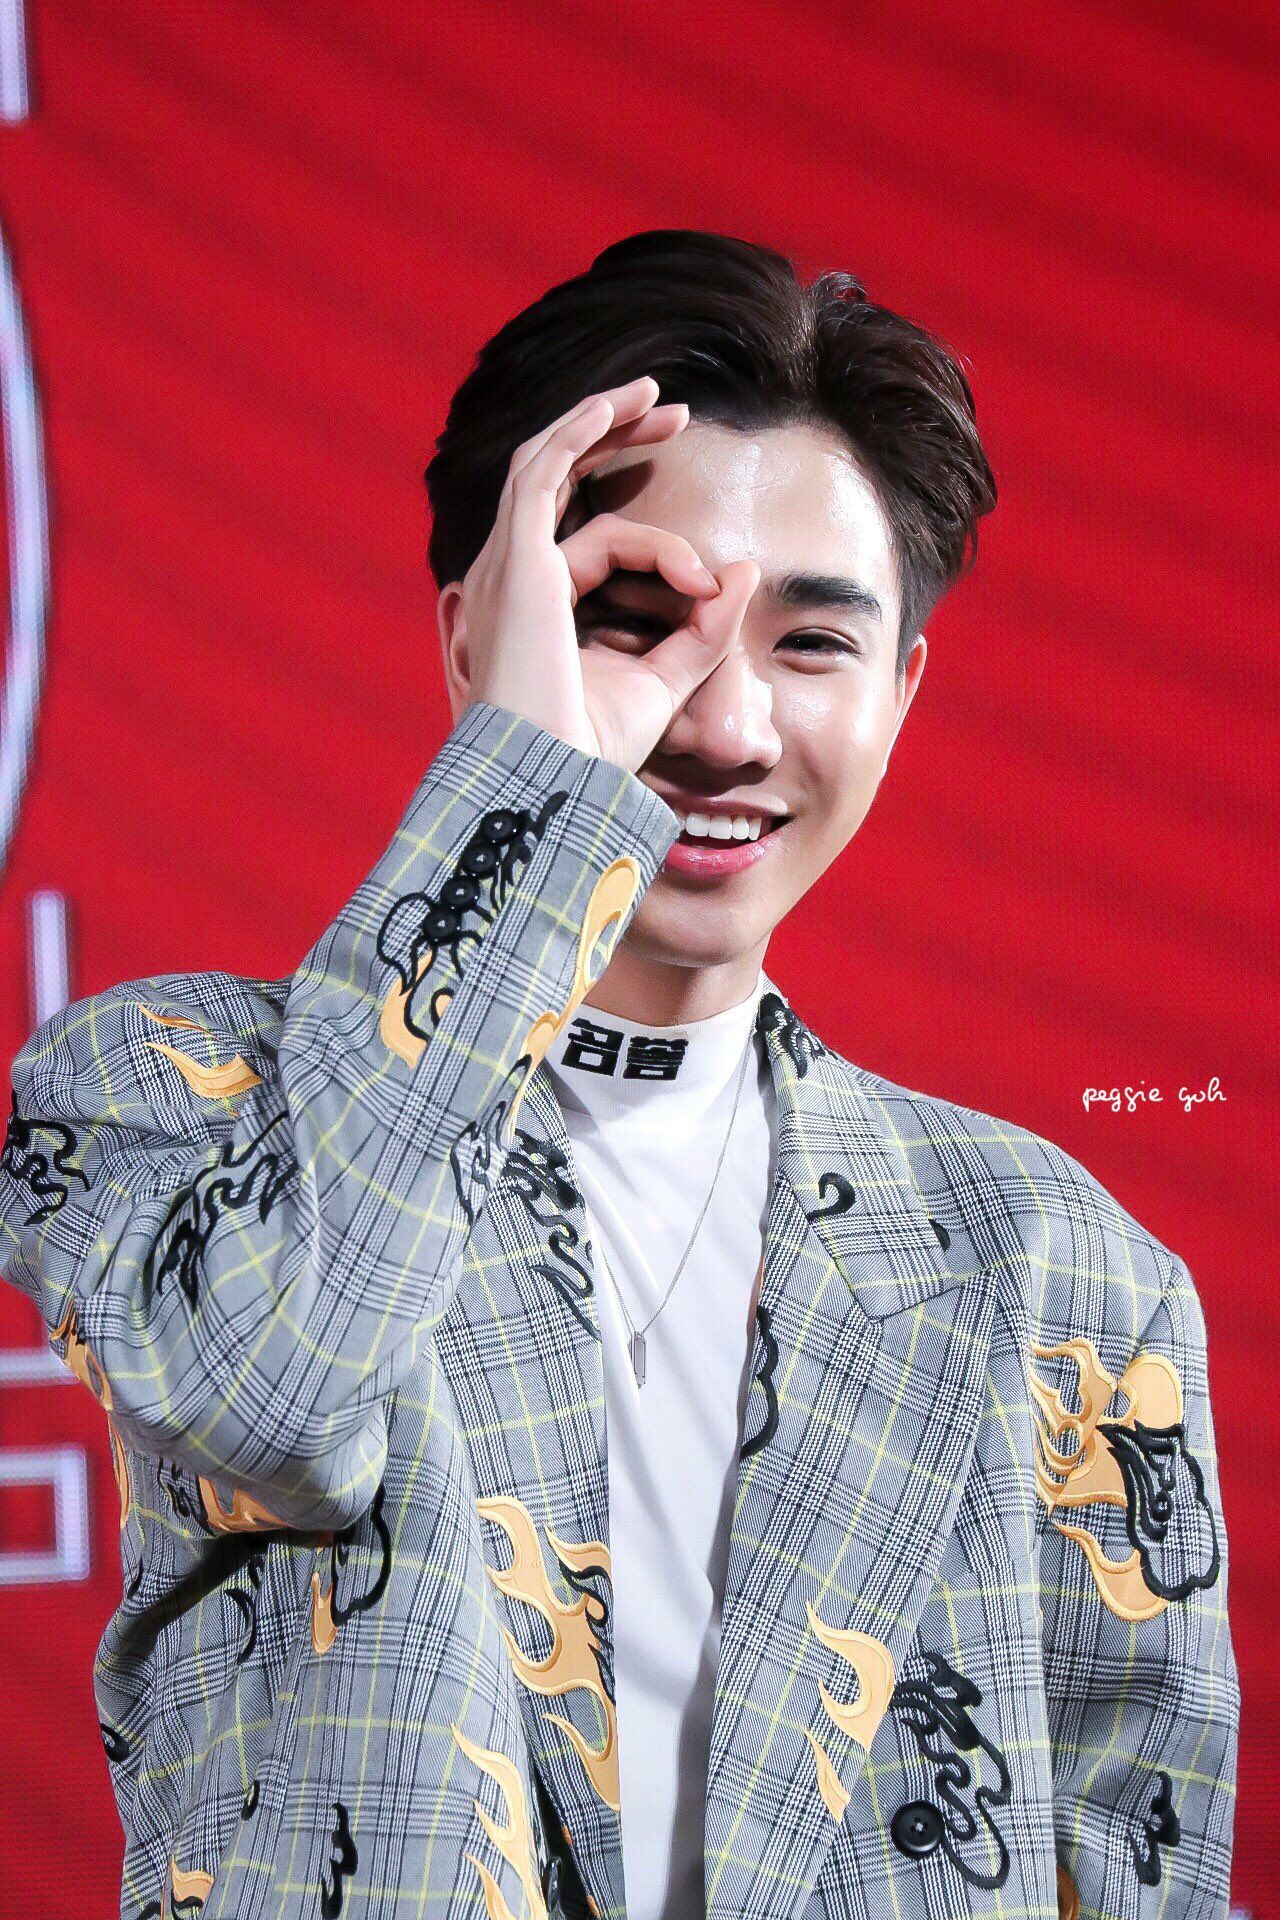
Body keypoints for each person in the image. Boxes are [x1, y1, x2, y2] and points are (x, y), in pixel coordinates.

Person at [0, 230, 1237, 1920]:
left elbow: (1146, 1872)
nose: (725, 727)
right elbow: (272, 1398)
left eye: (814, 645)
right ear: (478, 642)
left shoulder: (1065, 1269)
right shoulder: (169, 1086)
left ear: (903, 689)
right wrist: (533, 779)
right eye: (636, 621)